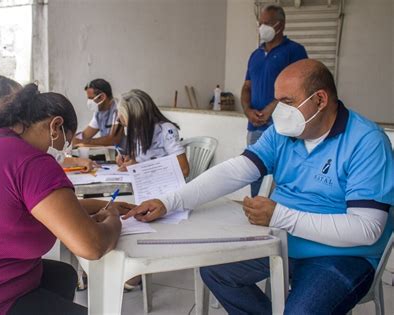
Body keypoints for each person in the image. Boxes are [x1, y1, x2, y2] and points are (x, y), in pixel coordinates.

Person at [124, 59, 394, 314]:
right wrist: (169, 201)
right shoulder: (284, 133)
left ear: (320, 99)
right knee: (215, 271)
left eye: (288, 102)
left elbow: (366, 229)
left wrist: (280, 216)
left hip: (341, 255)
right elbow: (236, 170)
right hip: (282, 240)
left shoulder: (366, 142)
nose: (279, 111)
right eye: (277, 101)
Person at [0, 84, 131, 314]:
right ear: (55, 126)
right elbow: (92, 246)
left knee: (63, 276)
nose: (65, 152)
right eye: (67, 143)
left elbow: (40, 206)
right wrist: (113, 220)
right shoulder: (32, 161)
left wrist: (103, 205)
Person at [241, 4, 307, 196]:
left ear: (281, 25)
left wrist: (272, 108)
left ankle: (280, 214)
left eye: (267, 23)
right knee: (253, 170)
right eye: (260, 23)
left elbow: (300, 87)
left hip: (284, 126)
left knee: (282, 172)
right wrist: (247, 110)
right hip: (254, 127)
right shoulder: (255, 55)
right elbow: (246, 87)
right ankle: (255, 208)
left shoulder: (294, 51)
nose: (262, 27)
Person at [116, 89, 190, 177]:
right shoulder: (137, 130)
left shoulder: (166, 130)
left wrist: (140, 168)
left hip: (164, 185)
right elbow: (142, 159)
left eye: (128, 124)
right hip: (145, 181)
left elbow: (184, 170)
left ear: (139, 119)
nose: (129, 129)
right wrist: (131, 161)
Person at [74, 78, 124, 146]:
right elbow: (85, 135)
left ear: (102, 97)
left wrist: (83, 142)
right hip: (110, 153)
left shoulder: (119, 109)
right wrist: (71, 139)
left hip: (123, 154)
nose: (89, 102)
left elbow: (114, 139)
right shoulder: (98, 113)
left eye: (91, 98)